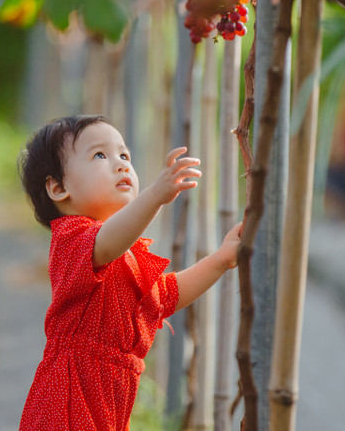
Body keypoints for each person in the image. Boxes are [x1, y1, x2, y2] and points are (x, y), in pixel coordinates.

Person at [18, 115, 242, 431]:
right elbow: (106, 243)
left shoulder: (127, 252)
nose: (121, 165)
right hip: (66, 405)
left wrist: (220, 259)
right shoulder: (72, 239)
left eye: (125, 155)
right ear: (58, 187)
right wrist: (155, 195)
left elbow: (166, 295)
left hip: (110, 402)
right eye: (100, 155)